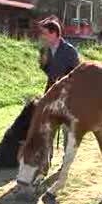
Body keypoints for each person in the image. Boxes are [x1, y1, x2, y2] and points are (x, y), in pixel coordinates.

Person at [38, 19, 80, 162]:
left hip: (67, 95)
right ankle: (46, 159)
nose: (42, 36)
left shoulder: (70, 50)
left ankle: (67, 159)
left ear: (54, 33)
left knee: (67, 129)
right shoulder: (44, 50)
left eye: (44, 33)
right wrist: (44, 62)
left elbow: (77, 73)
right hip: (50, 92)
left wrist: (63, 82)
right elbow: (45, 69)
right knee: (48, 127)